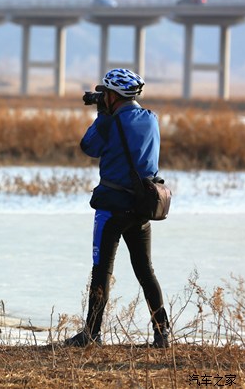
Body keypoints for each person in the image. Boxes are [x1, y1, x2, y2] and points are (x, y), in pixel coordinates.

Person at [64, 68, 169, 348]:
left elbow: (88, 147)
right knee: (145, 270)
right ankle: (163, 335)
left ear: (112, 96)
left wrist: (101, 115)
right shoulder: (151, 119)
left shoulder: (108, 123)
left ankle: (91, 334)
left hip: (112, 208)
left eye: (105, 94)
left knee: (102, 271)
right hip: (142, 205)